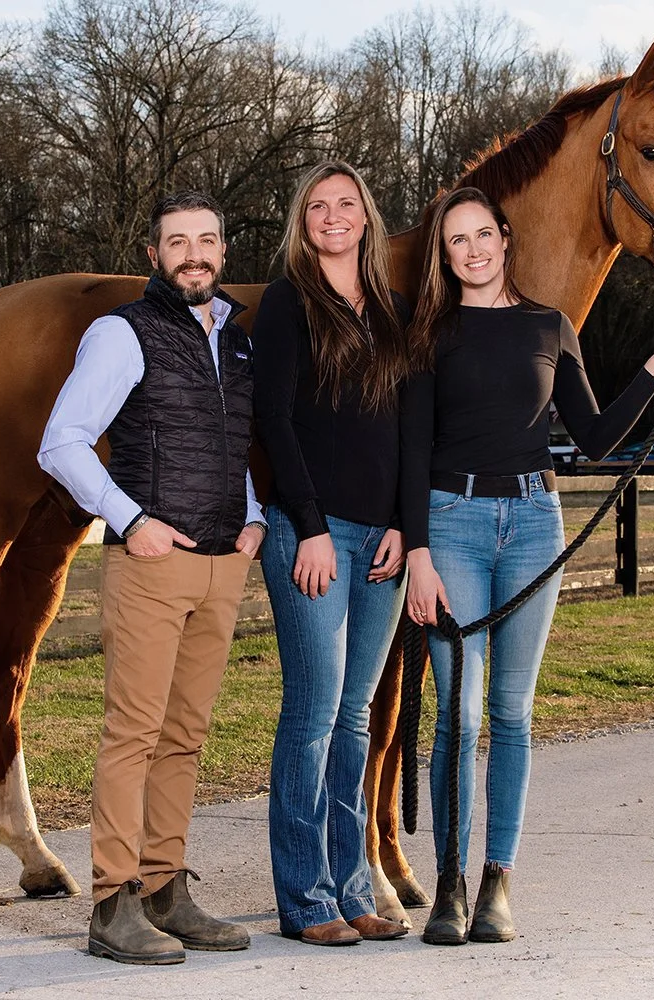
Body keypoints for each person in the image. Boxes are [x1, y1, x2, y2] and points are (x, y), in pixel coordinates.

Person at [400, 186, 654, 946]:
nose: (471, 250)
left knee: (511, 714)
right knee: (458, 716)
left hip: (534, 522)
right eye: (455, 241)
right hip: (451, 523)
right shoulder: (429, 333)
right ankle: (451, 882)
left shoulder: (549, 326)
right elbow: (409, 454)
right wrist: (418, 554)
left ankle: (499, 878)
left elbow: (596, 437)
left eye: (481, 235)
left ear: (505, 239)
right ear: (445, 255)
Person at [38, 191, 266, 966]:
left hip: (222, 563)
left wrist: (255, 514)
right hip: (153, 563)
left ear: (224, 252)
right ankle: (112, 900)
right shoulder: (122, 333)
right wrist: (130, 520)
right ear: (153, 255)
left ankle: (167, 888)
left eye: (207, 240)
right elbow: (61, 442)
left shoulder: (237, 338)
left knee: (185, 737)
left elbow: (232, 442)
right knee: (133, 733)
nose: (194, 254)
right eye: (178, 242)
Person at [253, 161, 415, 947]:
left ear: (367, 216)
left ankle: (353, 889)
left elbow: (406, 432)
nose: (333, 216)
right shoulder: (288, 302)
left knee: (355, 721)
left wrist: (400, 526)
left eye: (347, 203)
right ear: (302, 221)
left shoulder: (393, 309)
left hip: (379, 541)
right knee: (313, 715)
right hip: (310, 535)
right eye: (318, 206)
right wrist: (309, 524)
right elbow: (275, 422)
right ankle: (305, 898)